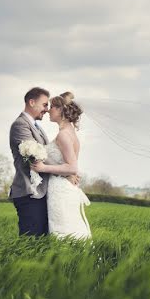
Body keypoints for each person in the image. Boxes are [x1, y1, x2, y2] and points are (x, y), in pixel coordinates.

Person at [32, 92, 92, 240]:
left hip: (60, 188)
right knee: (70, 228)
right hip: (66, 187)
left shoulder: (64, 135)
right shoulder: (70, 133)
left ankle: (66, 261)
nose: (48, 110)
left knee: (62, 231)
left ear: (60, 110)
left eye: (52, 107)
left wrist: (43, 168)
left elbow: (72, 168)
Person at [8, 87, 53, 236]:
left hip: (39, 193)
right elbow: (35, 157)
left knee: (41, 241)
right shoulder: (20, 125)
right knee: (31, 241)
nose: (47, 109)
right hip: (28, 193)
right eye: (45, 104)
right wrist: (67, 170)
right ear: (32, 102)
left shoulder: (36, 126)